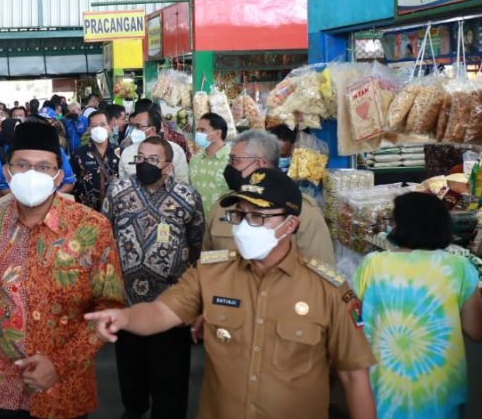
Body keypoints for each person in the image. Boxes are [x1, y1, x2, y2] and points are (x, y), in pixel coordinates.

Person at [86, 169, 378, 419]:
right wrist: (125, 317)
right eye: (238, 214)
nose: (243, 225)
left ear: (290, 225)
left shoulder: (328, 290)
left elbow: (353, 376)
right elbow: (162, 312)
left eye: (257, 217)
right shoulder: (212, 272)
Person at [0, 120, 126, 419]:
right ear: (8, 172)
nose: (31, 174)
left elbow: (110, 308)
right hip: (0, 386)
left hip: (66, 386)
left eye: (43, 167)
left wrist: (59, 364)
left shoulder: (91, 228)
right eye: (22, 164)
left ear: (59, 175)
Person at [354, 192, 482, 418]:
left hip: (385, 390)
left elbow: (355, 320)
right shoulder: (459, 268)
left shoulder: (373, 264)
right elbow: (477, 331)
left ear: (398, 225)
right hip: (438, 393)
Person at [101, 136, 204, 419]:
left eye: (153, 159)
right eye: (141, 158)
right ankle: (134, 408)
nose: (146, 164)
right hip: (127, 299)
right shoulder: (118, 191)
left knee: (171, 373)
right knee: (130, 368)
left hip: (172, 301)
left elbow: (196, 243)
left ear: (168, 166)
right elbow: (104, 234)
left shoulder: (188, 197)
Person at [202, 129, 334, 265]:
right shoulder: (222, 206)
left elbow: (321, 273)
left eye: (235, 161)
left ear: (260, 164)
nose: (229, 167)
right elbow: (207, 261)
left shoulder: (302, 212)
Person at [119, 108, 189, 183]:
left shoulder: (175, 150)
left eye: (138, 126)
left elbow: (182, 182)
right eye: (132, 126)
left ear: (152, 129)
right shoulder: (127, 152)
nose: (134, 130)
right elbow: (122, 182)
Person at [70, 110, 121, 212]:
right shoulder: (79, 154)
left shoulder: (120, 152)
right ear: (88, 129)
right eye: (94, 125)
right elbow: (73, 181)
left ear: (109, 127)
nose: (99, 128)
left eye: (103, 124)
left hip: (114, 208)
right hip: (86, 210)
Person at [189, 112, 231, 212]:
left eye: (202, 130)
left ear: (217, 133)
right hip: (197, 221)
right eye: (198, 130)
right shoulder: (195, 160)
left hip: (222, 221)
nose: (198, 134)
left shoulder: (232, 160)